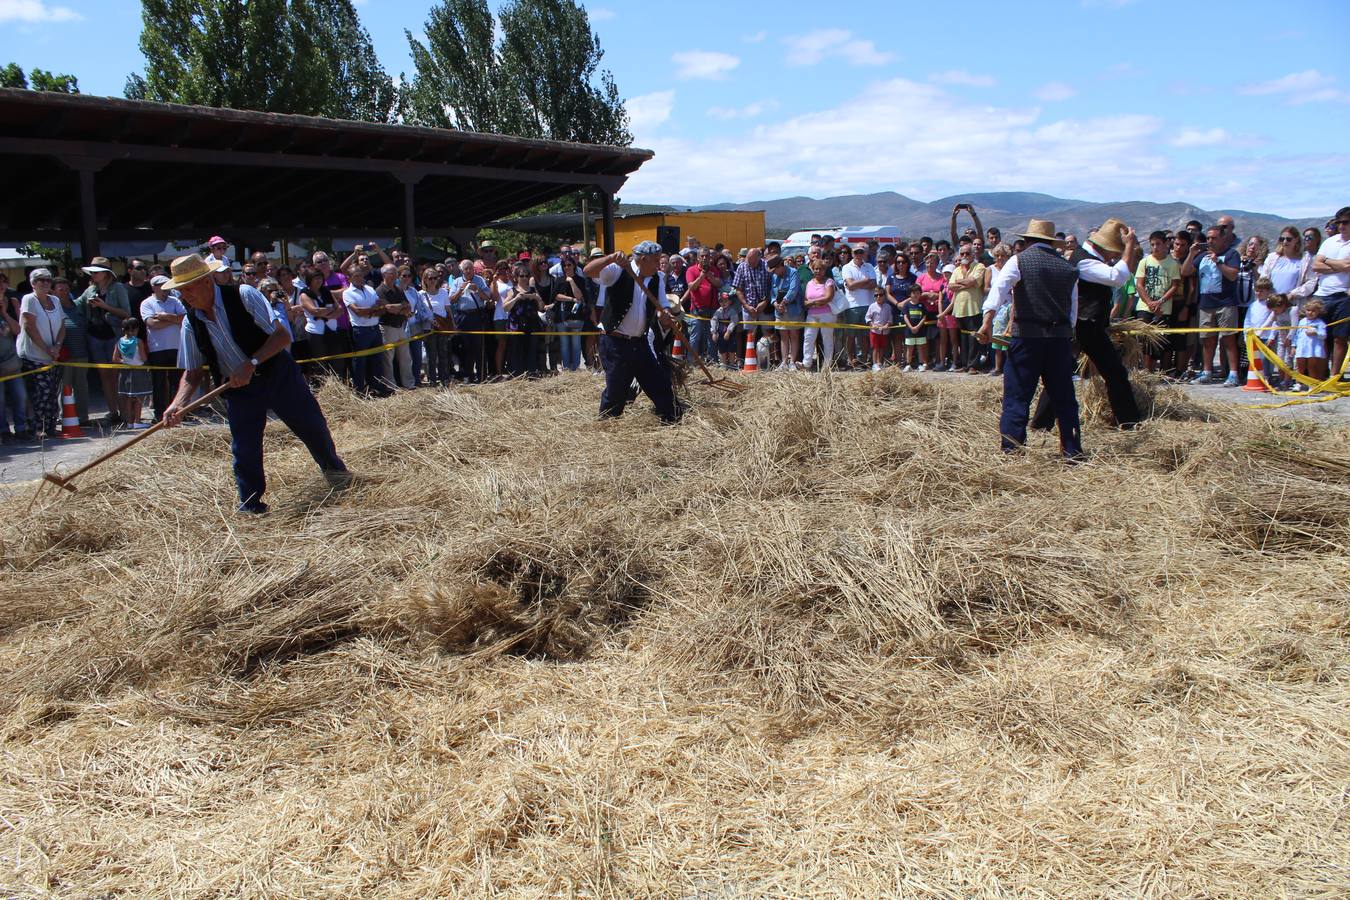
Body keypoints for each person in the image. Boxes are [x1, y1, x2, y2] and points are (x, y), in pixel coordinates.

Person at [162, 254, 348, 514]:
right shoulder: (190, 322)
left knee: (312, 426)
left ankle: (336, 474)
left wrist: (251, 363)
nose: (185, 296)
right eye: (180, 291)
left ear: (205, 281)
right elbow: (192, 372)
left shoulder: (244, 295)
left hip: (277, 375)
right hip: (239, 389)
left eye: (188, 289)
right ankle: (251, 506)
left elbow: (282, 337)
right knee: (244, 447)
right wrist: (177, 404)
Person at [978, 219, 1083, 460]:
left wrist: (987, 320)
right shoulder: (1068, 268)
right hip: (1058, 340)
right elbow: (1073, 311)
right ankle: (1072, 449)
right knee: (1064, 397)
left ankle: (1012, 450)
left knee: (1017, 396)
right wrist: (1069, 335)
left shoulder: (1020, 260)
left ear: (1027, 241)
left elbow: (999, 289)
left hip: (1027, 337)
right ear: (1050, 242)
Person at [1031, 218, 1143, 430]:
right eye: (1115, 251)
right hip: (1085, 326)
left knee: (1063, 374)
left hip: (1085, 325)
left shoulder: (1086, 257)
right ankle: (1129, 422)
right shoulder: (1085, 261)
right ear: (1108, 247)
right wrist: (1129, 245)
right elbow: (1117, 277)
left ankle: (1040, 424)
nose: (1116, 256)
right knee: (1114, 373)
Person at [583, 241, 681, 423]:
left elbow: (662, 305)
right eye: (656, 260)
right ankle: (606, 425)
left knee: (659, 382)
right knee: (616, 391)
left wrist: (664, 315)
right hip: (615, 342)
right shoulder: (618, 270)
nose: (659, 263)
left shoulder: (657, 277)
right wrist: (610, 257)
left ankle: (672, 420)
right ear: (643, 260)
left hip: (639, 342)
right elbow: (587, 271)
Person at [1186, 224, 1243, 386]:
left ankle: (1233, 374)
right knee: (1207, 340)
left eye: (1214, 238)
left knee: (1229, 339)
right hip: (1206, 304)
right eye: (1208, 238)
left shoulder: (1231, 254)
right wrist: (1191, 254)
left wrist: (1218, 261)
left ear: (1223, 238)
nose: (1210, 241)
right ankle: (1207, 371)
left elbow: (1233, 275)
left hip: (1226, 303)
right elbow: (1185, 271)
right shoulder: (1202, 256)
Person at [79, 256, 131, 426]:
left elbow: (126, 314)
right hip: (95, 336)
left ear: (106, 274)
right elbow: (75, 305)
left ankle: (124, 413)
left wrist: (104, 306)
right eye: (92, 272)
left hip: (113, 335)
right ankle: (112, 411)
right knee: (104, 376)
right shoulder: (90, 290)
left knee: (116, 375)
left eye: (96, 272)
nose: (93, 275)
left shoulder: (118, 288)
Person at [16, 267, 65, 439]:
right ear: (33, 283)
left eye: (47, 280)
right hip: (34, 355)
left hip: (53, 356)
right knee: (41, 392)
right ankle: (37, 427)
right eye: (40, 280)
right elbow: (29, 326)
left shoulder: (55, 300)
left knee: (52, 392)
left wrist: (57, 346)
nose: (44, 283)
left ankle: (51, 425)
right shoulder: (29, 299)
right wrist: (47, 348)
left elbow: (62, 326)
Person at [140, 274, 187, 424]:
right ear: (153, 287)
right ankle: (159, 413)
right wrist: (173, 319)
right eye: (161, 285)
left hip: (176, 347)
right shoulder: (147, 303)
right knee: (159, 382)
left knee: (177, 382)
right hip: (157, 348)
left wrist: (165, 316)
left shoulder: (175, 301)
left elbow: (185, 319)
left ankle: (179, 412)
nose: (165, 288)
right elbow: (152, 324)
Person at [1310, 207, 1350, 379]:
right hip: (1322, 294)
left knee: (1340, 337)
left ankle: (1335, 376)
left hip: (1343, 295)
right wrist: (1338, 265)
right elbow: (1316, 265)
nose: (1341, 226)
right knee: (1321, 337)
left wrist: (1326, 262)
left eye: (1346, 222)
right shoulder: (1329, 242)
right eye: (1338, 222)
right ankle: (1320, 374)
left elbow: (1347, 267)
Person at [1133, 231, 1182, 371]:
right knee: (1144, 340)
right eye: (1152, 244)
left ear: (1166, 243)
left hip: (1163, 307)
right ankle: (1145, 371)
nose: (1155, 247)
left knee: (1157, 341)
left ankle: (1153, 371)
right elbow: (1139, 284)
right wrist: (1149, 302)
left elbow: (1174, 285)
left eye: (1158, 244)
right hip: (1144, 306)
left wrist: (1159, 302)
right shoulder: (1145, 262)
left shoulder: (1172, 264)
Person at [342, 266, 390, 397]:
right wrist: (373, 310)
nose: (360, 278)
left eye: (361, 275)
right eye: (356, 276)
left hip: (374, 328)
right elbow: (357, 311)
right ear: (350, 278)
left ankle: (376, 387)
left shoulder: (369, 289)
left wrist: (370, 312)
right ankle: (359, 389)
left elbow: (381, 308)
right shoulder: (347, 293)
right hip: (360, 331)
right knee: (360, 361)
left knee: (376, 360)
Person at [298, 270, 347, 383]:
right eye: (316, 278)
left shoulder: (326, 291)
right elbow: (314, 311)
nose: (319, 280)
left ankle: (338, 385)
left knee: (338, 361)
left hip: (333, 331)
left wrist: (324, 314)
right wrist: (330, 311)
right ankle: (320, 388)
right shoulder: (304, 294)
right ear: (310, 280)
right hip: (316, 335)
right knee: (320, 364)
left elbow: (340, 310)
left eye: (320, 278)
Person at [54, 276, 91, 425]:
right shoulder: (54, 308)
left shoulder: (77, 306)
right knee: (65, 387)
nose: (64, 291)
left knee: (82, 387)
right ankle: (66, 417)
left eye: (66, 288)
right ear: (54, 291)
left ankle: (83, 417)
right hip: (65, 356)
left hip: (82, 354)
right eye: (60, 289)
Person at [450, 259, 491, 382]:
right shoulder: (457, 282)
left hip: (477, 316)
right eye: (466, 268)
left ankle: (482, 376)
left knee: (479, 347)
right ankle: (468, 375)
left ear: (474, 269)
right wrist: (460, 290)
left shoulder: (480, 280)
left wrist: (477, 290)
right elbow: (451, 300)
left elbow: (488, 297)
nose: (468, 271)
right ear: (461, 270)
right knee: (465, 347)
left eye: (470, 268)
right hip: (462, 317)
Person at [552, 253, 593, 372]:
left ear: (574, 266)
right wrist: (570, 299)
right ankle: (566, 368)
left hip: (577, 316)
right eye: (564, 265)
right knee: (564, 345)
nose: (567, 267)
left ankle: (575, 368)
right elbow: (555, 296)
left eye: (569, 265)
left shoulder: (580, 280)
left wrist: (571, 281)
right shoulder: (559, 280)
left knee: (576, 345)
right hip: (561, 317)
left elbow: (580, 296)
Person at [948, 245, 986, 372]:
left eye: (967, 253)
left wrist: (960, 282)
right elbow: (951, 286)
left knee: (973, 338)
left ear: (973, 254)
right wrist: (966, 283)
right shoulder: (956, 269)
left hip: (974, 307)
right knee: (962, 338)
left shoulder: (979, 266)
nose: (964, 256)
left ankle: (973, 365)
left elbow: (975, 282)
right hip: (959, 309)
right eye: (962, 253)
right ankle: (965, 364)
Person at [504, 261, 545, 378]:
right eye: (521, 276)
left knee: (532, 351)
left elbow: (541, 308)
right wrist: (516, 299)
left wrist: (537, 298)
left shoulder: (533, 290)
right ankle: (518, 375)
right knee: (517, 352)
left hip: (532, 325)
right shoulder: (512, 291)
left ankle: (531, 374)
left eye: (527, 275)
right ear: (516, 277)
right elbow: (505, 307)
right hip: (516, 326)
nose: (524, 278)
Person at [839, 246, 878, 368]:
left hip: (867, 304)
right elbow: (850, 285)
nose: (859, 254)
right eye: (856, 252)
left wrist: (857, 284)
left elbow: (873, 284)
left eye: (861, 252)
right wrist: (865, 281)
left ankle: (865, 359)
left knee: (865, 335)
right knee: (851, 335)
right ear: (852, 253)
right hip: (852, 306)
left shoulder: (869, 266)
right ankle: (852, 359)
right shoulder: (847, 267)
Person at [113, 317, 151, 429]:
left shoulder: (119, 342)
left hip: (125, 372)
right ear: (135, 329)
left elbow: (115, 358)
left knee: (128, 398)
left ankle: (129, 422)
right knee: (139, 397)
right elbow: (143, 358)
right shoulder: (138, 341)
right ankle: (137, 421)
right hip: (138, 371)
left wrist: (124, 361)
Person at [683, 248, 720, 362]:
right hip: (697, 309)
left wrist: (710, 276)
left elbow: (718, 284)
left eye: (707, 256)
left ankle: (713, 361)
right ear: (698, 258)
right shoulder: (691, 270)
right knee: (695, 336)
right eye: (702, 256)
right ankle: (691, 361)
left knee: (711, 336)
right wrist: (701, 276)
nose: (705, 258)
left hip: (712, 308)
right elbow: (691, 288)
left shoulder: (714, 269)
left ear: (710, 257)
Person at [802, 257, 837, 372]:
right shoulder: (809, 283)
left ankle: (827, 364)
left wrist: (813, 302)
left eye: (820, 269)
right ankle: (806, 363)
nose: (818, 271)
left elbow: (828, 298)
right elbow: (805, 301)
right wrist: (816, 302)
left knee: (827, 339)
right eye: (816, 269)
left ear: (824, 270)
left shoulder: (829, 282)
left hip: (827, 314)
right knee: (808, 338)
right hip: (812, 315)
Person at [769, 254, 803, 370]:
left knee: (794, 335)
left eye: (775, 270)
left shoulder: (793, 272)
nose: (774, 273)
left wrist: (784, 302)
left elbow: (793, 290)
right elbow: (772, 293)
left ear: (780, 266)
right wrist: (775, 304)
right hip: (779, 311)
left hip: (793, 309)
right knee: (783, 335)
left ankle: (792, 362)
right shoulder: (774, 277)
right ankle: (784, 362)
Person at [1292, 297, 1328, 390]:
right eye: (1308, 310)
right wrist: (1294, 346)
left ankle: (1312, 384)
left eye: (1313, 311)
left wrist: (1316, 332)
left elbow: (1324, 335)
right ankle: (1298, 383)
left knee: (1312, 367)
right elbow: (1297, 334)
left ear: (1318, 312)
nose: (1310, 312)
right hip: (1302, 347)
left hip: (1313, 349)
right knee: (1300, 367)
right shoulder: (1302, 321)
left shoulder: (1320, 323)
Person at [900, 285, 929, 371]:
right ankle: (908, 364)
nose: (915, 295)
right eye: (913, 293)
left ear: (920, 294)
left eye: (918, 293)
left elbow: (924, 317)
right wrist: (911, 327)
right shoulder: (907, 305)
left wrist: (917, 327)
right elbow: (905, 316)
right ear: (910, 294)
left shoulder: (922, 305)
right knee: (909, 348)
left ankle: (921, 364)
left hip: (920, 330)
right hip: (909, 331)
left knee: (920, 347)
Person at [864, 288, 893, 371]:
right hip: (875, 331)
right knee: (875, 347)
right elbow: (867, 317)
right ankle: (874, 364)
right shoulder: (872, 306)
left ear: (884, 296)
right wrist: (872, 325)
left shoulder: (888, 307)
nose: (878, 297)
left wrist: (888, 324)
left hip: (884, 331)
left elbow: (890, 318)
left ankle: (879, 362)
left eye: (881, 295)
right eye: (876, 295)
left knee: (882, 347)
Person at [711, 290, 741, 368]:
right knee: (722, 348)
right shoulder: (718, 311)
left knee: (731, 348)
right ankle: (723, 364)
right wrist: (714, 332)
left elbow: (734, 321)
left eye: (725, 301)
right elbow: (713, 320)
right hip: (720, 333)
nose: (723, 303)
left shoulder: (732, 311)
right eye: (721, 301)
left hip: (730, 333)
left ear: (730, 301)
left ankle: (731, 364)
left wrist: (728, 331)